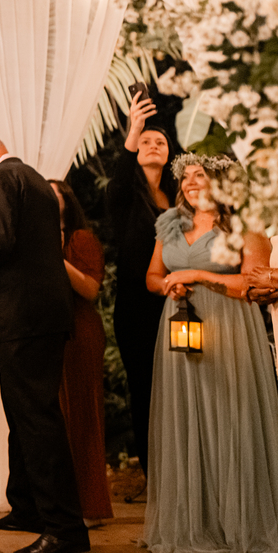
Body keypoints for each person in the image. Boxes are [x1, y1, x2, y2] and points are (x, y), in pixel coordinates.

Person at [0, 134, 87, 553]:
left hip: (19, 319)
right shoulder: (39, 181)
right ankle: (28, 507)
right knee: (28, 418)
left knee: (38, 422)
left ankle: (64, 531)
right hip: (43, 316)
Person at [143, 154, 278, 553]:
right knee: (187, 418)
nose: (190, 182)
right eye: (185, 176)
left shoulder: (242, 225)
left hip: (230, 329)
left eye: (199, 175)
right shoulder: (170, 223)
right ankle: (194, 523)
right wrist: (169, 285)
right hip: (181, 326)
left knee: (229, 415)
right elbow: (152, 276)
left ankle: (239, 524)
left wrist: (199, 275)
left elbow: (252, 286)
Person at [107, 93, 175, 478]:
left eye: (160, 142)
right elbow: (118, 179)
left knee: (179, 389)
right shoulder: (124, 197)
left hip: (176, 300)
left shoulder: (179, 199)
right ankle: (156, 477)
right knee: (147, 390)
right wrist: (134, 128)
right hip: (136, 307)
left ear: (169, 154)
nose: (152, 145)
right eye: (146, 141)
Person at [48, 180, 112, 522]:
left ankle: (91, 506)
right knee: (55, 420)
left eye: (53, 193)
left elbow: (89, 288)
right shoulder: (29, 240)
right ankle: (60, 505)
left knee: (83, 416)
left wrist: (54, 255)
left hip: (80, 332)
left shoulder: (80, 239)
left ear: (66, 202)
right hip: (46, 334)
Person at [244, 227, 278, 550]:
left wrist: (273, 276)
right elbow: (253, 278)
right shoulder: (276, 220)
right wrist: (259, 289)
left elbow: (267, 274)